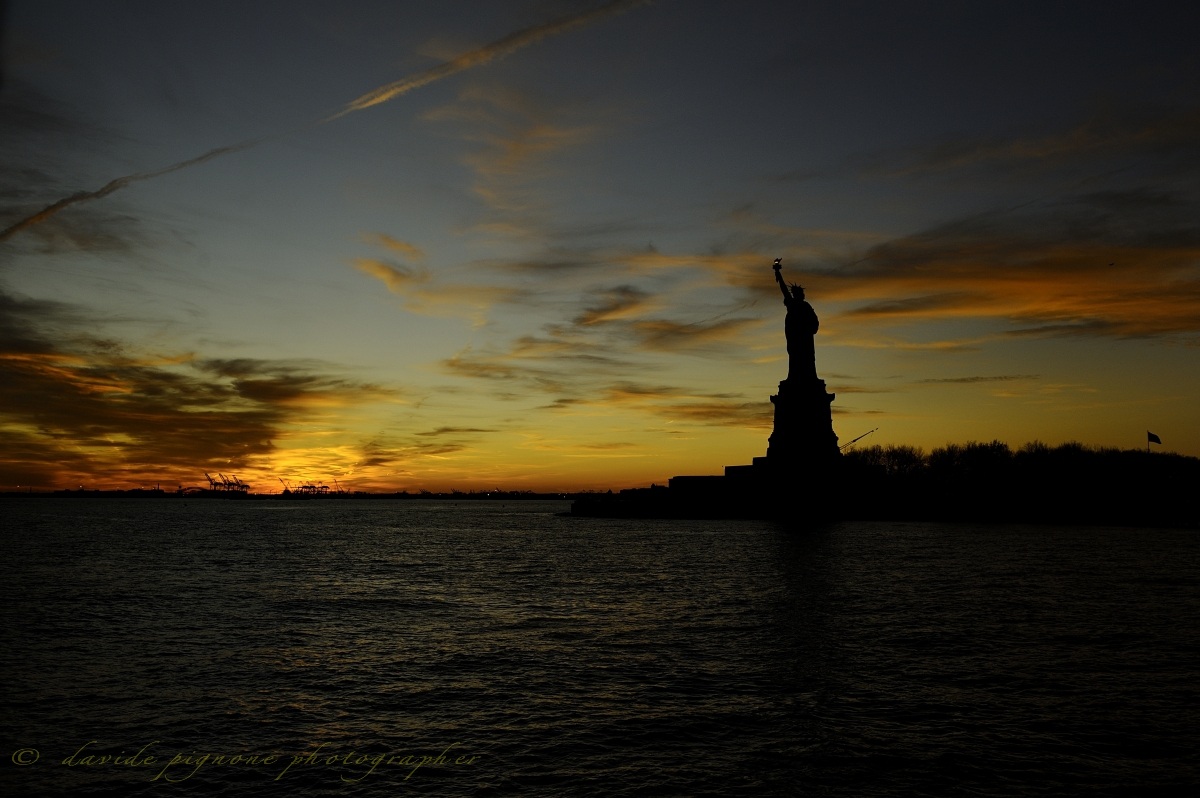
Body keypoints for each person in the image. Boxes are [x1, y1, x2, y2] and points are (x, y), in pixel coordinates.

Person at [773, 259, 818, 382]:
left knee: (807, 358)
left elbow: (814, 320)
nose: (802, 295)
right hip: (796, 337)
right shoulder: (792, 304)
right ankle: (796, 378)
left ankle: (808, 378)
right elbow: (783, 289)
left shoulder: (806, 306)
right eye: (800, 293)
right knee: (797, 357)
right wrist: (778, 272)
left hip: (805, 337)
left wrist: (812, 327)